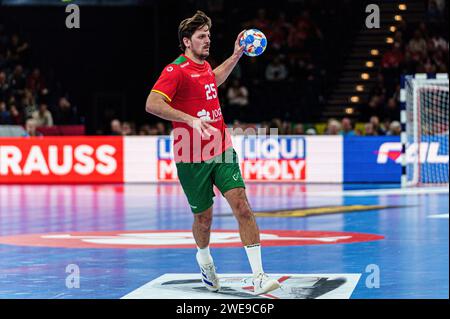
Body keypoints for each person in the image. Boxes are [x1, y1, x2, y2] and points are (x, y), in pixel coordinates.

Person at [145, 11, 280, 295]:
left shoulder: (204, 66)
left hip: (221, 147)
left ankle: (258, 275)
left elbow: (212, 80)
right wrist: (189, 119)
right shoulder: (175, 70)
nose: (208, 40)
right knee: (203, 220)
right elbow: (152, 103)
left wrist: (236, 56)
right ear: (186, 41)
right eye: (201, 36)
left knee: (241, 204)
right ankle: (204, 259)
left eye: (208, 34)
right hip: (191, 154)